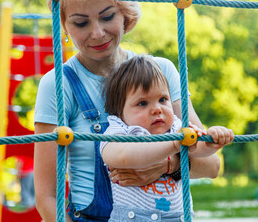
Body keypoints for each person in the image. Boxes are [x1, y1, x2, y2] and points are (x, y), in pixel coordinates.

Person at [34, 0, 234, 221]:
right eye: (81, 23)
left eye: (107, 17)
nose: (97, 32)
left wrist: (166, 165)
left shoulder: (161, 71)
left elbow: (212, 165)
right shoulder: (59, 83)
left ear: (125, 15)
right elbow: (47, 197)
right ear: (63, 26)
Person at [100, 56, 233, 221]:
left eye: (163, 99)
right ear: (119, 112)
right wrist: (173, 145)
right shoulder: (118, 132)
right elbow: (124, 157)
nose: (157, 109)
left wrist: (211, 141)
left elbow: (197, 150)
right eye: (142, 103)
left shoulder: (176, 128)